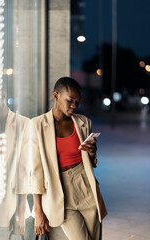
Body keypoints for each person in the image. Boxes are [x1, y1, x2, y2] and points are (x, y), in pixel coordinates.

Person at [31, 77, 107, 240]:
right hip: (58, 189)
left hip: (85, 185)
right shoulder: (37, 125)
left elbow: (91, 162)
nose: (74, 105)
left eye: (77, 102)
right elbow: (36, 172)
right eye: (70, 100)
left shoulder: (83, 122)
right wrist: (38, 210)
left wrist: (92, 151)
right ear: (56, 96)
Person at [0, 85, 31, 239]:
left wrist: (20, 213)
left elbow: (24, 170)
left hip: (5, 202)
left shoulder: (22, 124)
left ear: (3, 94)